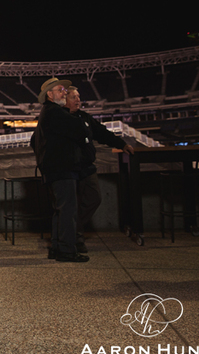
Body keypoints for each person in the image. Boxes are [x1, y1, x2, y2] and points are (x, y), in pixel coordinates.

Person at [65, 86, 134, 252]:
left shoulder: (84, 117)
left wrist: (122, 144)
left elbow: (102, 133)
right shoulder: (61, 118)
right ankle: (74, 238)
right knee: (70, 205)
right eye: (73, 97)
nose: (78, 100)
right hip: (68, 169)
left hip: (87, 168)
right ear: (64, 100)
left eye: (78, 96)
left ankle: (73, 231)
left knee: (94, 198)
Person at [32, 78, 92, 262]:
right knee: (67, 211)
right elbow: (82, 130)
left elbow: (33, 141)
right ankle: (66, 250)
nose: (64, 93)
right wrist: (84, 129)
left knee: (60, 210)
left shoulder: (48, 112)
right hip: (62, 169)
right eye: (60, 90)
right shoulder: (55, 112)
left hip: (54, 169)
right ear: (50, 95)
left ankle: (58, 249)